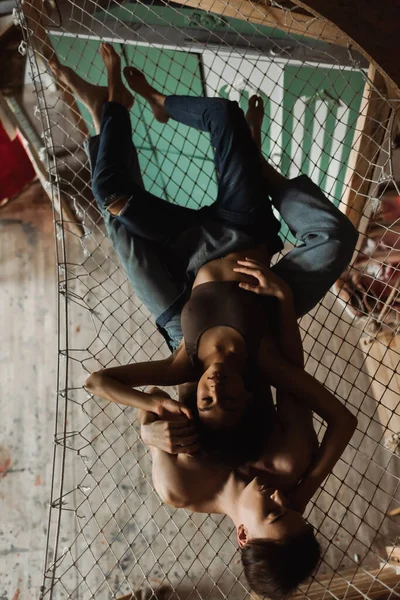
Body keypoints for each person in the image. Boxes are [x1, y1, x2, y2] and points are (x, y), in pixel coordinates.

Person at [50, 44, 358, 597]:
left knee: (122, 226)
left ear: (242, 535)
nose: (284, 502)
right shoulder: (289, 466)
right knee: (335, 239)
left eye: (276, 516)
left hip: (184, 341)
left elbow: (148, 409)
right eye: (298, 513)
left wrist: (149, 423)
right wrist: (280, 297)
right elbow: (294, 373)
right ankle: (256, 170)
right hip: (255, 327)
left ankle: (106, 114)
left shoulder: (183, 489)